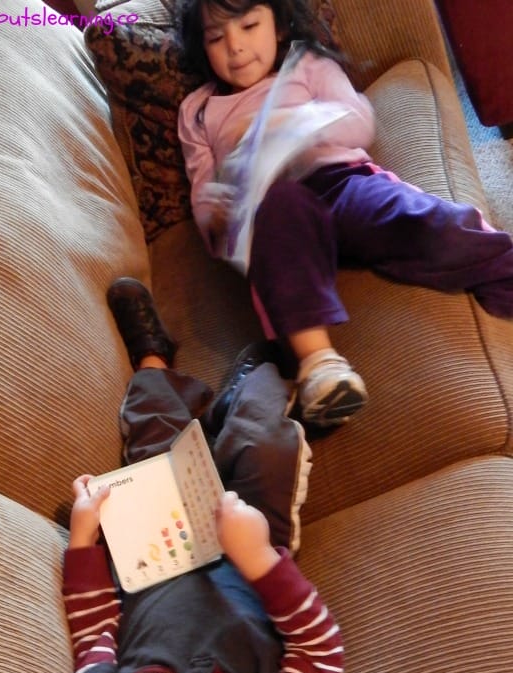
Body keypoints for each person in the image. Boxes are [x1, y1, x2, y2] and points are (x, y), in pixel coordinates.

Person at [62, 277, 343, 673]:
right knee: (266, 439)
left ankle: (153, 359)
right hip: (253, 558)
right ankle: (254, 380)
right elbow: (319, 650)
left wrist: (82, 542)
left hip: (154, 544)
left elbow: (93, 635)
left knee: (152, 431)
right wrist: (258, 557)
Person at [176, 0, 513, 428]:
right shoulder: (198, 110)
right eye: (216, 37)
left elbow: (358, 120)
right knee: (277, 223)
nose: (235, 47)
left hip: (342, 182)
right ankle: (319, 366)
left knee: (416, 218)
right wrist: (217, 215)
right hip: (272, 211)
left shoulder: (307, 65)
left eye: (248, 25)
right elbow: (203, 191)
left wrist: (292, 124)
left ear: (278, 27)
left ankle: (502, 262)